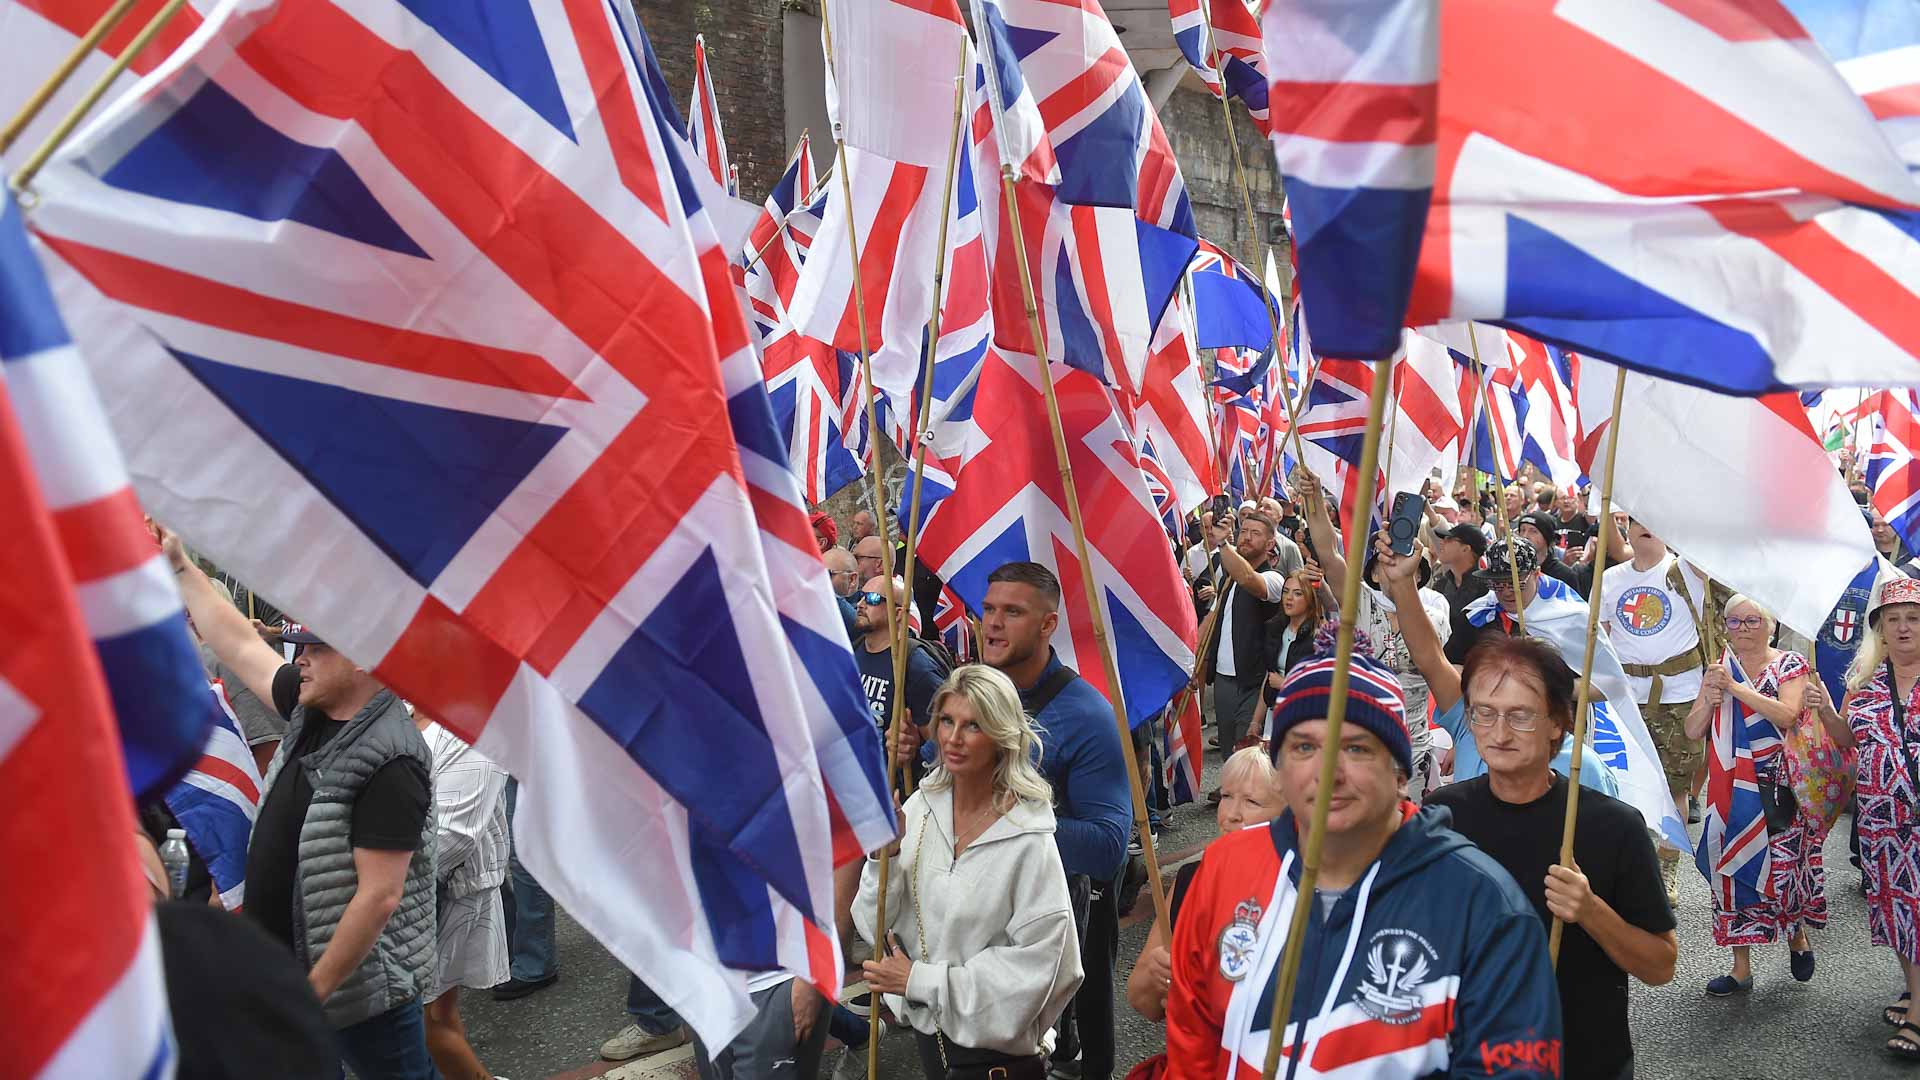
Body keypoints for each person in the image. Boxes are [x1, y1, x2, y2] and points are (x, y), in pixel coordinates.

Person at [1165, 648, 1563, 1080]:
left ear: (1399, 774)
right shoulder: (1226, 864)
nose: (1328, 772)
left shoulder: (1485, 908)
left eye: (1355, 748)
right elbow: (1192, 1045)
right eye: (1303, 746)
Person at [165, 530, 439, 1080]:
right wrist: (180, 568)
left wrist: (310, 994)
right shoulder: (313, 706)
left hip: (360, 1000)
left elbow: (379, 897)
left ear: (364, 660)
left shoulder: (392, 759)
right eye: (300, 647)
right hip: (304, 983)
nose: (300, 659)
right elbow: (241, 645)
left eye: (317, 648)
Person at [1424, 631, 1676, 1080]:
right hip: (1466, 1058)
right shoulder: (1440, 818)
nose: (1499, 733)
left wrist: (1591, 910)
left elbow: (1660, 964)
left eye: (1520, 716)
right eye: (1485, 713)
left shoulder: (1612, 826)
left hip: (1582, 1058)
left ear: (1558, 722)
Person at [855, 665, 1084, 1080]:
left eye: (972, 725)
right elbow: (876, 929)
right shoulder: (920, 811)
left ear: (1001, 736)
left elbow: (1045, 969)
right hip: (933, 1042)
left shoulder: (1029, 840)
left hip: (996, 1058)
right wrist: (882, 858)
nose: (953, 739)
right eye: (947, 721)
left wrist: (921, 982)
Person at [976, 562, 1130, 1080]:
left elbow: (1109, 847)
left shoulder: (1086, 713)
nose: (993, 624)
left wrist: (1000, 823)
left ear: (1047, 625)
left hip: (1052, 931)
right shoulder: (973, 696)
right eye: (989, 610)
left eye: (1012, 612)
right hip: (975, 931)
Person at [1387, 537, 1620, 795]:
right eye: (1498, 584)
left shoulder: (1582, 767)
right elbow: (1433, 659)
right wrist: (1402, 582)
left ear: (1536, 573)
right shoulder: (1478, 617)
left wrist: (1549, 688)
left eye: (1516, 583)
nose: (1507, 591)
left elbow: (1610, 684)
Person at [1685, 596, 1823, 995]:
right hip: (1730, 787)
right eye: (1734, 621)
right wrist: (1711, 701)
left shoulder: (1788, 665)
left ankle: (1795, 934)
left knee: (1782, 871)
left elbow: (1786, 714)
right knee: (1729, 874)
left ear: (1771, 625)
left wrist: (1736, 690)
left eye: (1751, 620)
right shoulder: (1718, 670)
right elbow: (1694, 731)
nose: (1742, 628)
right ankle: (1740, 968)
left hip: (1779, 787)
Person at [1810, 576, 1920, 1060]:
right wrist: (1824, 709)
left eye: (1913, 618)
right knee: (1896, 910)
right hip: (1879, 822)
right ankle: (1915, 989)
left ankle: (1919, 1014)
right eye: (1893, 620)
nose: (1903, 628)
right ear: (1879, 629)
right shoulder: (1868, 686)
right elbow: (1847, 740)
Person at [1299, 471, 1453, 794]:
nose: (1391, 565)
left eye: (1400, 558)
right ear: (1371, 571)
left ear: (1418, 570)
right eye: (1384, 561)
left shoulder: (1435, 608)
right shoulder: (1359, 603)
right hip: (1361, 746)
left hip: (1414, 752)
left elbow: (1438, 661)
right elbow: (1328, 553)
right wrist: (1313, 498)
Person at [1125, 746, 1281, 1022]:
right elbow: (1142, 1001)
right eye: (1226, 796)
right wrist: (1157, 975)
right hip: (1196, 1058)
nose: (1231, 814)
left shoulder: (1301, 892)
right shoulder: (1192, 879)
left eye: (1251, 802)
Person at [1600, 520, 1711, 902]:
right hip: (1626, 696)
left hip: (1680, 693)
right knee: (1624, 783)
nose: (1646, 528)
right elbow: (1599, 639)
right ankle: (1629, 865)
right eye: (1637, 521)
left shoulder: (1685, 572)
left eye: (1654, 521)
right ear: (1625, 530)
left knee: (1674, 785)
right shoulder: (1611, 579)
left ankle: (1667, 868)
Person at [416, 715, 511, 1080]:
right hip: (414, 885)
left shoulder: (474, 723)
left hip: (450, 888)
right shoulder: (398, 705)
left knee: (424, 1020)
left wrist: (377, 880)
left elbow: (454, 837)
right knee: (436, 1013)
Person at [1197, 510, 1292, 757]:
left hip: (1255, 682)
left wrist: (1224, 544)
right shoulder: (1228, 581)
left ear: (1271, 543)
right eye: (1244, 532)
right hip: (1223, 680)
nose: (1246, 538)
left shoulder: (1273, 578)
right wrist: (1194, 661)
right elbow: (1210, 620)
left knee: (1248, 753)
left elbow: (1249, 578)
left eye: (1255, 533)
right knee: (1229, 751)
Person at [854, 575, 947, 749]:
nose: (860, 604)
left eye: (872, 599)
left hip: (891, 774)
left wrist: (913, 749)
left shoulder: (916, 665)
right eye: (861, 595)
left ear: (898, 613)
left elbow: (941, 742)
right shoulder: (854, 650)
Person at [1246, 568, 1326, 745]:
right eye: (1285, 592)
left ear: (1310, 599)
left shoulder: (1320, 638)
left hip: (1303, 719)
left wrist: (1285, 683)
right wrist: (1256, 721)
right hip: (1274, 714)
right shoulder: (1275, 629)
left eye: (1297, 593)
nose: (1289, 598)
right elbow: (1269, 677)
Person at [1431, 523, 1491, 664]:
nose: (1442, 543)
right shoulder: (1440, 585)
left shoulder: (1487, 588)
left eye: (1449, 540)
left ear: (1466, 548)